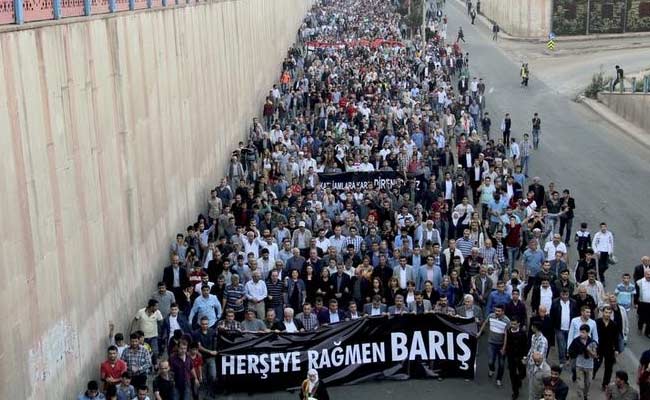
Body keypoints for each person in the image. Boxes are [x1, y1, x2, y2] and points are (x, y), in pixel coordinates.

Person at [479, 304, 509, 387]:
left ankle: (499, 379)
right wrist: (479, 333)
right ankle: (491, 369)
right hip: (491, 343)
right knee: (490, 361)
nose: (497, 312)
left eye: (499, 311)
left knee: (501, 364)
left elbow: (507, 335)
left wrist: (504, 348)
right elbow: (485, 323)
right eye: (496, 310)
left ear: (503, 312)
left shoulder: (507, 321)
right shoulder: (491, 316)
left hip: (501, 345)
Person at [569, 324, 599, 400]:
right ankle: (580, 397)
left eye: (583, 332)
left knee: (588, 383)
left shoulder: (592, 342)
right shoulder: (576, 341)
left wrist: (587, 349)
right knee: (580, 384)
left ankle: (585, 395)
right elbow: (571, 351)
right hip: (579, 365)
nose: (581, 334)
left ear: (588, 333)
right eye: (581, 332)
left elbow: (595, 355)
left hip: (589, 366)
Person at [504, 317, 527, 399]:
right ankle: (515, 392)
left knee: (522, 373)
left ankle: (519, 380)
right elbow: (507, 343)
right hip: (511, 357)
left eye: (514, 324)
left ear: (518, 324)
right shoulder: (508, 331)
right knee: (512, 375)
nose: (512, 325)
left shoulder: (522, 333)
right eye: (511, 324)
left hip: (520, 356)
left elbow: (525, 345)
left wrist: (524, 357)